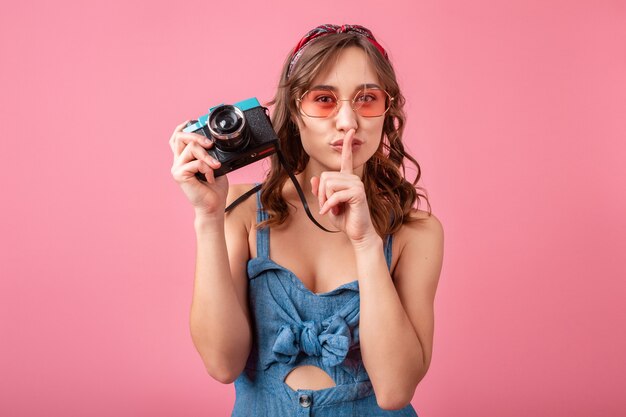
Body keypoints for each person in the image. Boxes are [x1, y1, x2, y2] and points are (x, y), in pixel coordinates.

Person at [169, 24, 444, 416]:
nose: (348, 121)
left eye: (367, 98)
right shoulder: (241, 211)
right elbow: (221, 364)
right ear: (295, 112)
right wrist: (207, 217)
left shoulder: (417, 232)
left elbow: (395, 391)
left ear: (388, 109)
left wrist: (366, 242)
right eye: (324, 99)